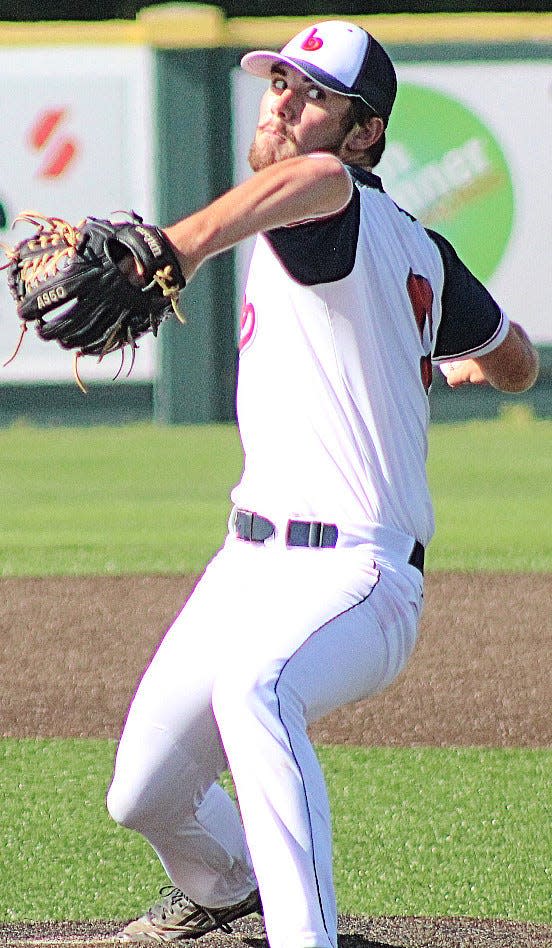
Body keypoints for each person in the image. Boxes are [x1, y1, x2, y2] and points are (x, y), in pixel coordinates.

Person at [106, 19, 539, 947]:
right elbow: (516, 359)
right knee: (140, 791)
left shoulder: (330, 191)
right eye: (279, 83)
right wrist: (460, 363)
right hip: (248, 562)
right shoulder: (420, 250)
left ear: (363, 133)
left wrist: (176, 246)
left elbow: (313, 184)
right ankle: (229, 884)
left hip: (360, 576)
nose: (282, 100)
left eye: (313, 94)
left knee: (256, 689)